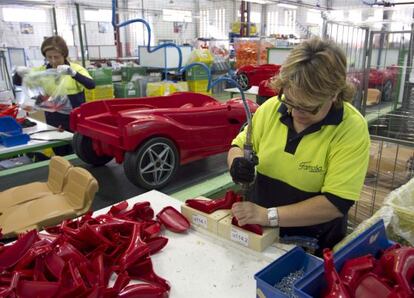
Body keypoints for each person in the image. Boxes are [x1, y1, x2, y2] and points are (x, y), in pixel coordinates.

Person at [228, 37, 370, 256]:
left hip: (312, 243)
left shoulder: (350, 129)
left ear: (334, 94)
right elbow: (238, 145)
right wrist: (236, 161)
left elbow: (334, 203)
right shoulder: (273, 108)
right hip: (261, 231)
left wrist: (268, 215)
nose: (294, 113)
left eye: (307, 108)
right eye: (290, 102)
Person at [13, 35, 95, 155]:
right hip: (54, 118)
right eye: (49, 57)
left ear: (64, 55)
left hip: (75, 118)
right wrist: (19, 73)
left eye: (56, 57)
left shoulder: (75, 68)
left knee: (79, 150)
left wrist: (73, 74)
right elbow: (18, 82)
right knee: (60, 150)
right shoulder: (42, 71)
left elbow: (91, 84)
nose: (53, 61)